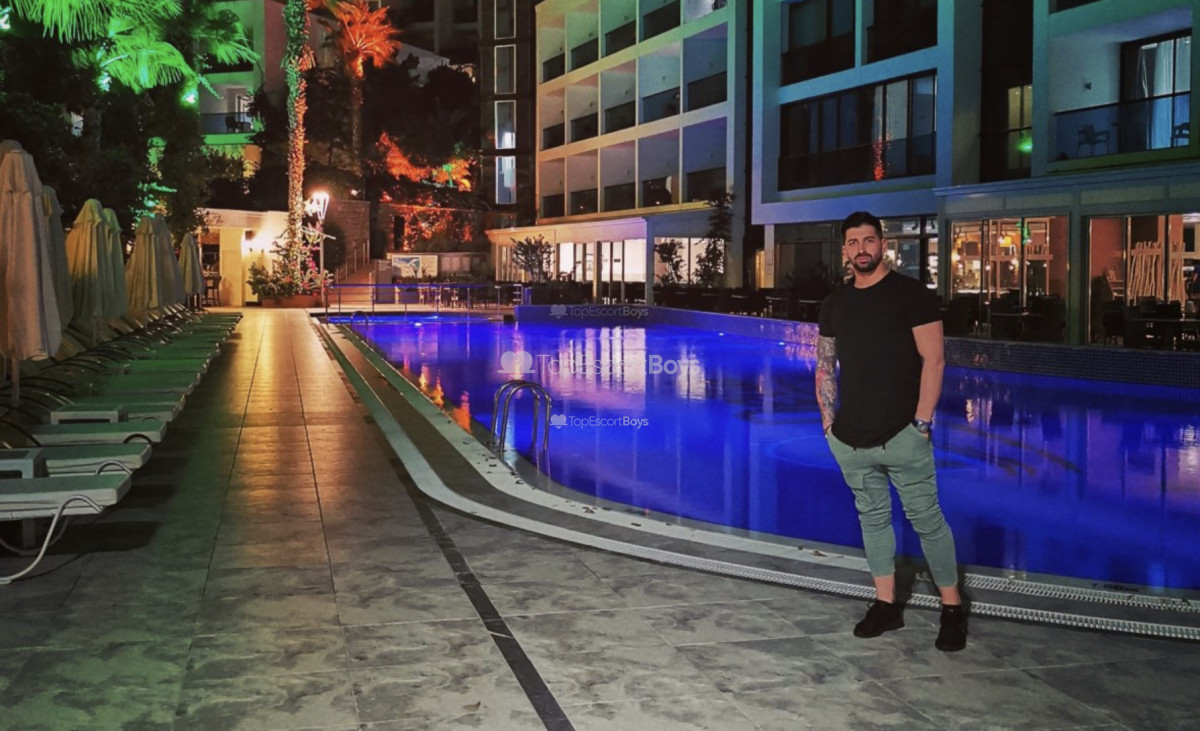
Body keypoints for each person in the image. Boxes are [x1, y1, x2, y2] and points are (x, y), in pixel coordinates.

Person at [816, 211, 967, 652]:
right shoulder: (835, 303)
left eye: (868, 240)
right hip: (850, 437)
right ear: (845, 250)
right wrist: (828, 422)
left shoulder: (911, 295)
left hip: (903, 433)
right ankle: (886, 605)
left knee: (927, 521)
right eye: (853, 242)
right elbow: (825, 365)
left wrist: (921, 423)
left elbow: (934, 360)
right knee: (873, 520)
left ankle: (952, 608)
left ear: (882, 245)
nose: (861, 249)